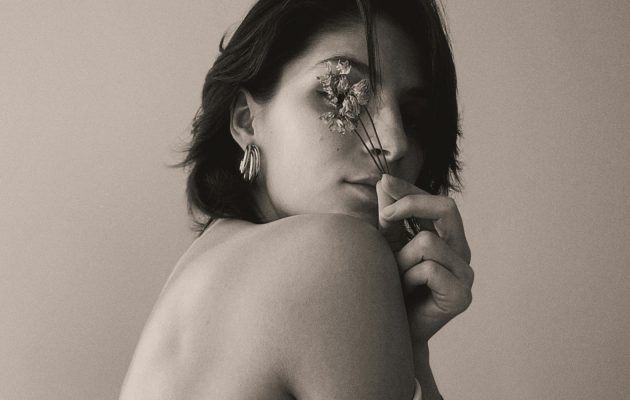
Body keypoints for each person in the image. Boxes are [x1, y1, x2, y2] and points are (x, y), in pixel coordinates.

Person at [120, 0, 473, 399]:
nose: (394, 142)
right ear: (246, 119)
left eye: (413, 116)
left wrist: (410, 348)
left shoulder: (202, 270)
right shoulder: (335, 251)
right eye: (342, 94)